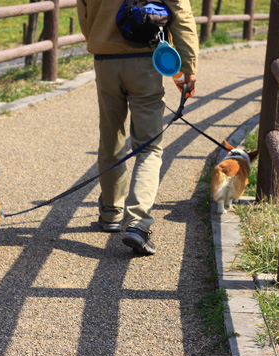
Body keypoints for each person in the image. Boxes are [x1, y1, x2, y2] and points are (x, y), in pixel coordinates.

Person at [77, 0, 199, 254]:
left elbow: (84, 12)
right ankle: (137, 223)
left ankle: (111, 213)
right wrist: (188, 65)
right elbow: (181, 13)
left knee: (111, 138)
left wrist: (101, 37)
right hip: (147, 58)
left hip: (105, 58)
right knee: (149, 145)